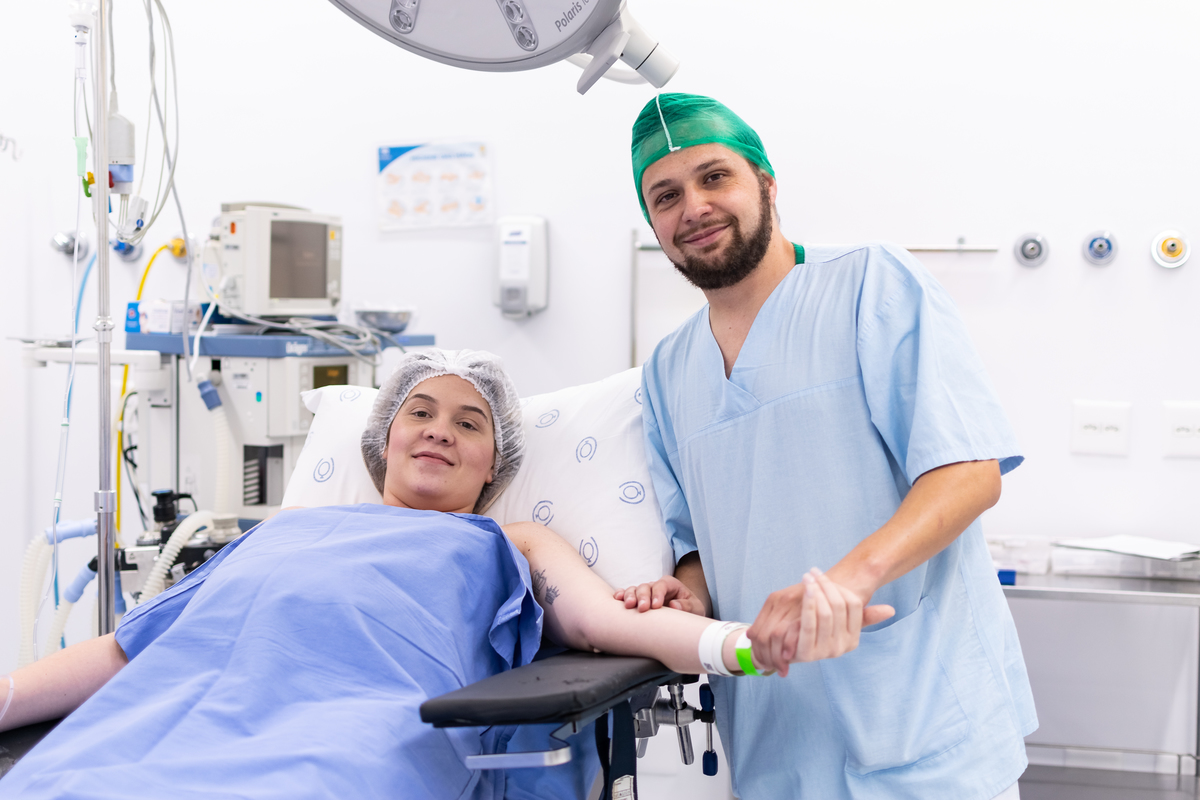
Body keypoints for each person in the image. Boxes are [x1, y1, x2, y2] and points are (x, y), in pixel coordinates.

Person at [0, 349, 778, 800]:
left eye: (468, 423)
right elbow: (132, 651)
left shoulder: (509, 538)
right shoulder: (291, 528)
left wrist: (739, 645)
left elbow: (603, 623)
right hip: (172, 717)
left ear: (495, 460)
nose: (440, 430)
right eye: (421, 413)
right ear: (383, 440)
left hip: (357, 730)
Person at [616, 94, 1037, 800]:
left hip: (921, 729)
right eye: (665, 195)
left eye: (714, 177)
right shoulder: (666, 370)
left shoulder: (873, 283)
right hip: (776, 739)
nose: (692, 206)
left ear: (767, 184)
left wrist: (846, 581)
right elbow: (695, 544)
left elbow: (969, 472)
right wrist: (682, 599)